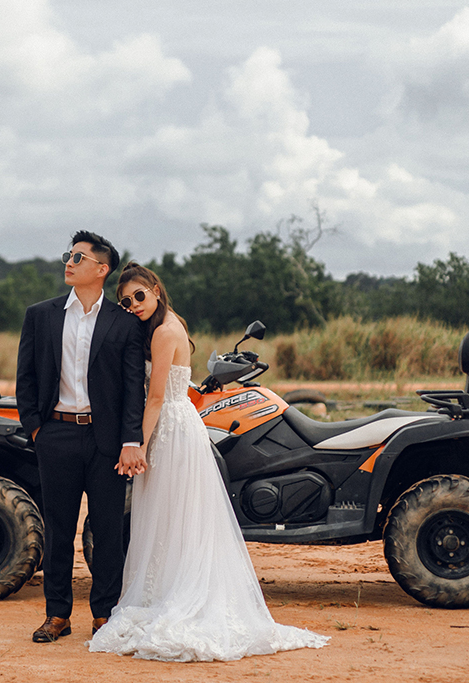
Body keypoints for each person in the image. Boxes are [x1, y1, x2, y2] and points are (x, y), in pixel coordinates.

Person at [88, 261, 329, 662]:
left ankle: (177, 595)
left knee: (175, 513)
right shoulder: (163, 325)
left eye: (139, 296)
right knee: (169, 515)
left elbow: (156, 397)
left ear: (156, 290)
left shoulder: (165, 331)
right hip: (174, 423)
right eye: (126, 301)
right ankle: (162, 591)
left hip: (170, 428)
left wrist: (140, 445)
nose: (133, 305)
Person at [16, 231, 148, 643]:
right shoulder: (41, 315)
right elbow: (26, 377)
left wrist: (130, 440)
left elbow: (133, 390)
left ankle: (104, 616)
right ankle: (57, 615)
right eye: (68, 256)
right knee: (57, 529)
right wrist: (37, 428)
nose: (68, 263)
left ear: (102, 269)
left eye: (78, 257)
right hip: (55, 434)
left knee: (108, 531)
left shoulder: (124, 323)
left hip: (105, 440)